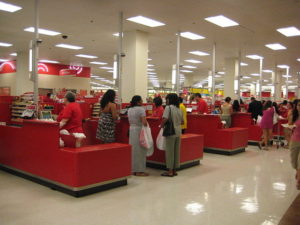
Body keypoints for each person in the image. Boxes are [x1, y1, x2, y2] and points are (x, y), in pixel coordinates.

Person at [160, 93, 183, 177]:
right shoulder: (178, 108)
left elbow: (165, 118)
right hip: (178, 132)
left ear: (170, 99)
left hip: (170, 132)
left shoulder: (168, 108)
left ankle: (169, 171)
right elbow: (182, 121)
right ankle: (174, 170)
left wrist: (161, 125)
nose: (166, 100)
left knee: (170, 152)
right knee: (176, 151)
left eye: (167, 99)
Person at [128, 95, 149, 176]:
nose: (142, 101)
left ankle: (133, 170)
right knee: (141, 150)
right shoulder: (141, 109)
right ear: (138, 102)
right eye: (141, 100)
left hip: (132, 130)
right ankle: (140, 171)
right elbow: (144, 122)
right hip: (139, 130)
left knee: (133, 150)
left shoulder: (130, 109)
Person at [289, 100, 300, 190]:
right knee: (294, 161)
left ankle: (299, 181)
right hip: (294, 140)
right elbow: (290, 125)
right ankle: (298, 172)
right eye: (299, 105)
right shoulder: (294, 116)